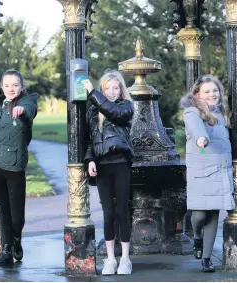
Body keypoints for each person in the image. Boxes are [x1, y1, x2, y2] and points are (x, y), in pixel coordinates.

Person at [180, 74, 237, 272]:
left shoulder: (224, 112)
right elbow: (196, 130)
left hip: (220, 170)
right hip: (202, 171)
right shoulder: (192, 112)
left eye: (215, 91)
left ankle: (206, 259)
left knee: (213, 214)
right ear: (197, 94)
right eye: (207, 91)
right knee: (199, 215)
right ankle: (197, 237)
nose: (212, 94)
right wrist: (201, 139)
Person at [0, 69, 38, 266]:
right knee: (3, 209)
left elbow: (29, 110)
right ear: (1, 87)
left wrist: (22, 112)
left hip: (14, 164)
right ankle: (6, 251)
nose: (10, 88)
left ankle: (16, 240)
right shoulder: (0, 105)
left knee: (17, 212)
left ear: (21, 86)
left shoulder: (27, 102)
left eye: (15, 85)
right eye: (6, 85)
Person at [83, 70, 134, 275]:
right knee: (108, 213)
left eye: (116, 87)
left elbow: (114, 113)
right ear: (103, 89)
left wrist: (94, 94)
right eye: (108, 88)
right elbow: (90, 139)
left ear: (121, 90)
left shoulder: (125, 107)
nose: (112, 91)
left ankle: (126, 259)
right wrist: (89, 160)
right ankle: (111, 259)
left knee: (122, 211)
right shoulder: (93, 111)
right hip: (102, 165)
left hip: (120, 163)